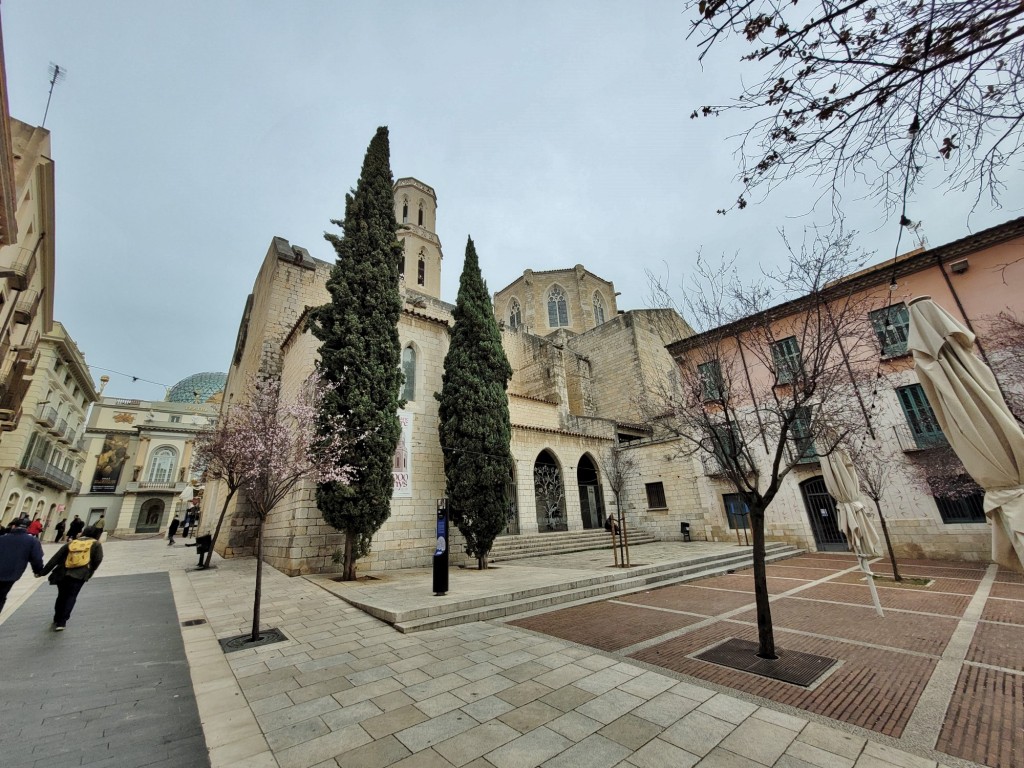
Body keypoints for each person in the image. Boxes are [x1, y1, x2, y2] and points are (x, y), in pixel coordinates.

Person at [40, 525, 103, 631]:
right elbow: (98, 559)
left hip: (63, 573)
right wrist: (91, 571)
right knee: (71, 596)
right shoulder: (96, 544)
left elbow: (56, 558)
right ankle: (62, 622)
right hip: (80, 575)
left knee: (61, 596)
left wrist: (42, 572)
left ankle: (57, 617)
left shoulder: (72, 543)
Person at [0, 518, 44, 614]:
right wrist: (38, 571)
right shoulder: (32, 541)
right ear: (28, 528)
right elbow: (37, 558)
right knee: (1, 596)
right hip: (11, 573)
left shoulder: (2, 538)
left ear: (14, 526)